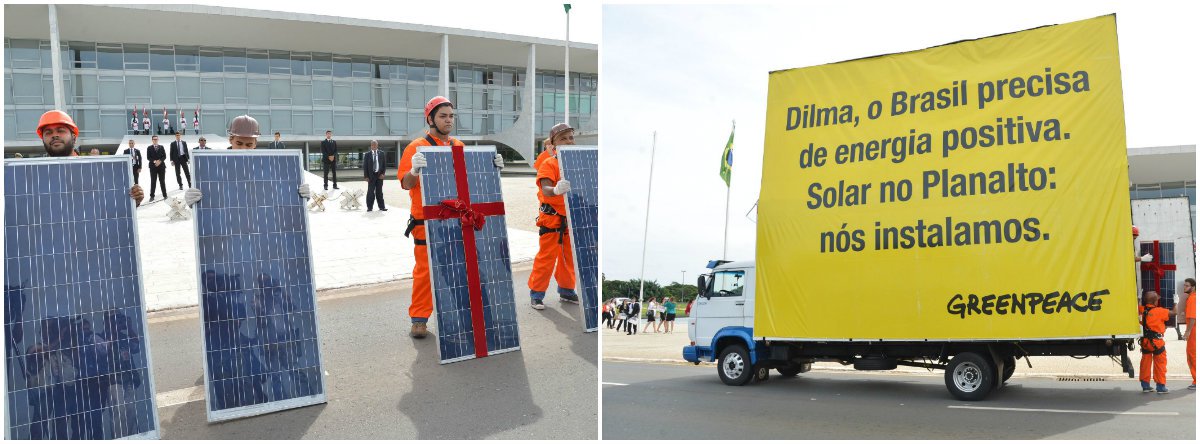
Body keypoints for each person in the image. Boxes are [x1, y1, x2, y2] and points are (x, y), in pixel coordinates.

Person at [398, 96, 504, 338]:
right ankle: (419, 318)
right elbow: (406, 183)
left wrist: (492, 168)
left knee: (465, 268)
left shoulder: (459, 146)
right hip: (426, 221)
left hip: (457, 220)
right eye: (443, 116)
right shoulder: (415, 147)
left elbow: (472, 180)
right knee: (425, 272)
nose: (448, 120)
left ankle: (473, 316)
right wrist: (414, 169)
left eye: (451, 116)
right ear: (430, 119)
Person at [183, 115, 310, 208]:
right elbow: (212, 206)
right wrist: (194, 202)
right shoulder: (213, 167)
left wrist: (298, 196)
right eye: (239, 143)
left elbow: (277, 199)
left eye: (248, 144)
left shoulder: (268, 168)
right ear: (230, 140)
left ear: (255, 143)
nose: (243, 148)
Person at [36, 110, 143, 206]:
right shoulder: (33, 177)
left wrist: (133, 200)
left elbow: (113, 210)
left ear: (74, 138)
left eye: (60, 130)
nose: (55, 135)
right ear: (43, 140)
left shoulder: (98, 170)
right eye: (48, 132)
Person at [528, 123, 578, 310]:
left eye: (570, 137)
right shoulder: (549, 163)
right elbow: (546, 188)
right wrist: (556, 189)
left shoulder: (578, 163)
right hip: (552, 219)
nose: (568, 141)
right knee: (546, 259)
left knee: (569, 259)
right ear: (553, 144)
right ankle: (537, 294)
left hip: (572, 219)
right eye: (563, 138)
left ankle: (566, 290)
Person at [1139, 290, 1170, 394]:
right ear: (1155, 301)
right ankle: (1161, 387)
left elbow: (1136, 307)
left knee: (1145, 364)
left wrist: (1138, 298)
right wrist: (1176, 302)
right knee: (1160, 364)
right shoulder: (1160, 311)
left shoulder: (1141, 310)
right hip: (1157, 343)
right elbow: (1174, 312)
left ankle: (1145, 386)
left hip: (1146, 342)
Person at [1173, 278, 1196, 390]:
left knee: (1193, 356)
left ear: (1193, 287)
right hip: (1194, 330)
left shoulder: (1192, 298)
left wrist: (1187, 332)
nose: (1184, 287)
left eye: (1187, 286)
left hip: (1194, 332)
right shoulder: (1191, 298)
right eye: (1184, 285)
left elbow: (1192, 317)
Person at [363, 140, 387, 212]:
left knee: (379, 192)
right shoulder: (367, 154)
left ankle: (382, 207)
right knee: (370, 192)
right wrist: (366, 176)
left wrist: (383, 174)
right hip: (371, 176)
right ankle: (369, 207)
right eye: (372, 145)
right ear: (371, 146)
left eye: (375, 145)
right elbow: (365, 166)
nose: (374, 146)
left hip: (379, 175)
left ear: (377, 145)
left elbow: (384, 165)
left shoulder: (381, 153)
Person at [146, 135, 167, 202]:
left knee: (162, 181)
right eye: (154, 139)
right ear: (152, 140)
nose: (155, 140)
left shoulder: (161, 147)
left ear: (158, 140)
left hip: (161, 166)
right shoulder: (149, 148)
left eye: (156, 139)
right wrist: (155, 161)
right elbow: (148, 157)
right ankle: (152, 196)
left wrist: (160, 161)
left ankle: (165, 195)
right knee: (153, 181)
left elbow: (164, 156)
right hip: (153, 167)